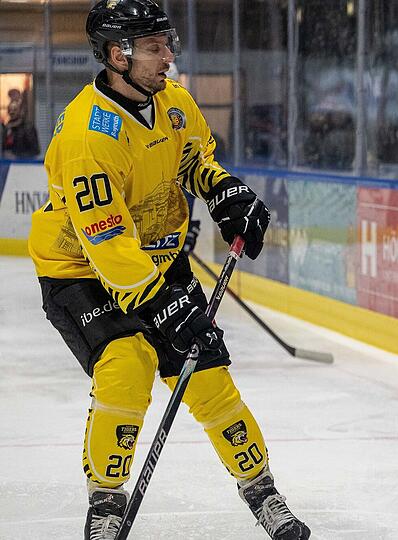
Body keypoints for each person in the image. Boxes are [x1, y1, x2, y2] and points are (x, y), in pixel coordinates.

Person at [27, 2, 309, 538]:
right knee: (126, 365)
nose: (169, 57)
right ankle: (106, 501)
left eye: (166, 44)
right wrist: (170, 307)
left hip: (157, 256)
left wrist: (224, 190)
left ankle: (263, 492)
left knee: (207, 377)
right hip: (81, 269)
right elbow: (109, 245)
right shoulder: (88, 135)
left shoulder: (173, 102)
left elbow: (194, 158)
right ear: (118, 54)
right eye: (155, 48)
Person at [2, 88, 40, 158]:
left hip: (22, 165)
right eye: (10, 109)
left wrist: (16, 156)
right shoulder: (7, 127)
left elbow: (34, 151)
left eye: (15, 109)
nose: (12, 111)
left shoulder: (28, 127)